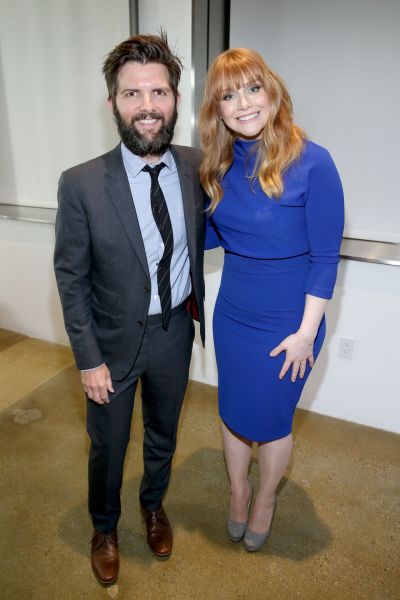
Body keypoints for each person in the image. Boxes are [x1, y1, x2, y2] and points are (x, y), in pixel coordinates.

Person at [54, 33, 205, 584]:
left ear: (175, 100)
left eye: (158, 92)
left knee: (164, 432)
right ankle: (105, 526)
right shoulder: (82, 184)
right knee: (109, 445)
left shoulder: (196, 167)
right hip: (111, 343)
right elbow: (70, 278)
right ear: (112, 104)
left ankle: (153, 505)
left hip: (174, 332)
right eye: (132, 94)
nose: (147, 106)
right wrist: (88, 358)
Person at [199, 48, 344, 552]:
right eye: (228, 95)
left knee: (272, 421)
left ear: (272, 91)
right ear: (216, 109)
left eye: (251, 88)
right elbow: (219, 237)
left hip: (290, 322)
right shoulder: (217, 165)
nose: (242, 104)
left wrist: (306, 335)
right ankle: (238, 494)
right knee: (234, 412)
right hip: (233, 315)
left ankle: (265, 500)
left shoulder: (313, 162)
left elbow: (326, 258)